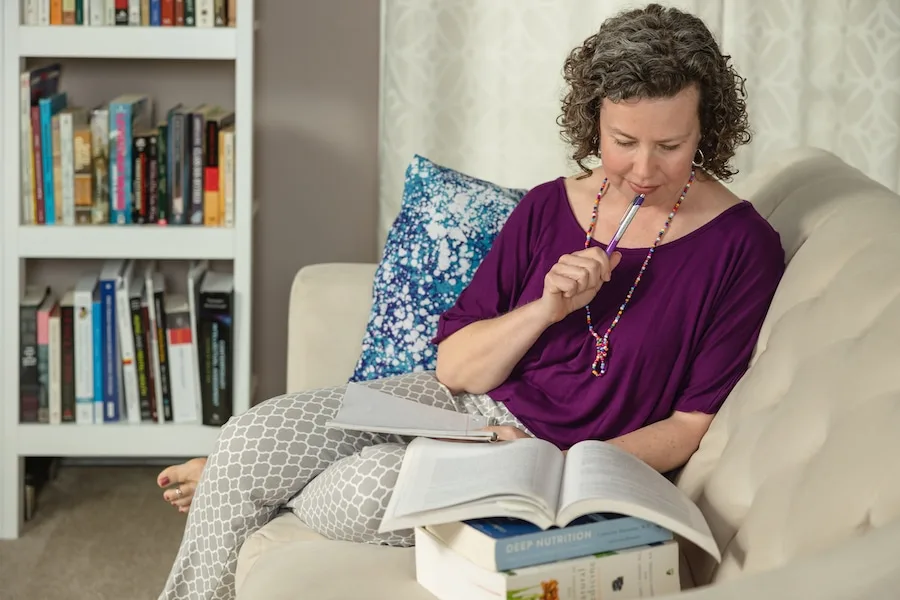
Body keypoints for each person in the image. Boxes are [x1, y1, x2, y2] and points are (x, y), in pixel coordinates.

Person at [156, 4, 785, 598]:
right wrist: (545, 309)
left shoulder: (743, 247)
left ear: (707, 128)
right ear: (594, 118)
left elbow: (688, 426)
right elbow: (455, 371)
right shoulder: (548, 205)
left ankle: (259, 485)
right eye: (624, 140)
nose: (644, 169)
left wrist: (553, 459)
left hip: (542, 459)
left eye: (670, 146)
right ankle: (250, 480)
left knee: (367, 485)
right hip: (461, 402)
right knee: (250, 433)